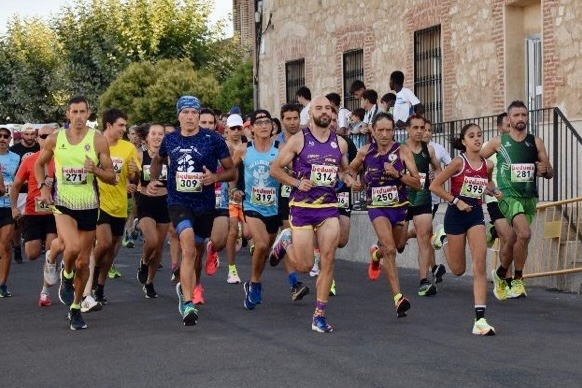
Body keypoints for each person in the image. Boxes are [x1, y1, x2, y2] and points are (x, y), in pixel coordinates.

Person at [269, 95, 356, 333]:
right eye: (319, 108)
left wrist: (350, 179)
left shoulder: (341, 143)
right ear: (311, 113)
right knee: (305, 265)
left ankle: (319, 315)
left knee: (329, 260)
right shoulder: (299, 140)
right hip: (302, 208)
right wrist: (296, 182)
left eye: (328, 108)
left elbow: (343, 170)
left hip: (328, 209)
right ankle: (286, 241)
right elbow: (275, 169)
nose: (325, 111)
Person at [147, 95, 235, 326]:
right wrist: (154, 179)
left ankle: (187, 285)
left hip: (204, 205)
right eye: (185, 112)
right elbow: (157, 160)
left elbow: (232, 172)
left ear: (198, 116)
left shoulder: (213, 139)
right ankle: (188, 304)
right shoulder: (171, 139)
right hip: (178, 202)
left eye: (193, 113)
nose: (189, 116)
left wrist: (215, 176)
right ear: (179, 116)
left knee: (195, 251)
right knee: (186, 246)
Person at [35, 96, 116, 330]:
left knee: (83, 263)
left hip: (89, 206)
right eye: (75, 112)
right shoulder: (55, 138)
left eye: (83, 111)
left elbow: (111, 177)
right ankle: (66, 276)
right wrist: (43, 187)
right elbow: (40, 165)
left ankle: (75, 308)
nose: (79, 116)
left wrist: (96, 171)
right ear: (67, 114)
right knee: (71, 248)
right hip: (63, 204)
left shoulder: (98, 140)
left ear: (89, 114)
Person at [348, 113, 421, 318]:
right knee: (389, 247)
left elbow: (417, 182)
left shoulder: (402, 151)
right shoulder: (365, 152)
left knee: (396, 247)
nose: (385, 134)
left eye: (389, 130)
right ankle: (398, 298)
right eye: (380, 130)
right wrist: (352, 182)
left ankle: (375, 255)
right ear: (373, 130)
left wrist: (398, 174)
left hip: (399, 206)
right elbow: (349, 171)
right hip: (377, 206)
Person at [430, 123, 499, 335]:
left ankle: (480, 320)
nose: (477, 139)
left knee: (479, 266)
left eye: (479, 135)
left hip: (476, 214)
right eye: (472, 136)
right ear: (463, 141)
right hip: (455, 215)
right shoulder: (458, 163)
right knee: (458, 270)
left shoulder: (487, 165)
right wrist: (455, 201)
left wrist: (494, 190)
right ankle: (444, 238)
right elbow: (435, 186)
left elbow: (484, 183)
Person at [480, 100, 553, 299]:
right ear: (509, 119)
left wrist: (544, 170)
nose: (521, 119)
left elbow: (549, 172)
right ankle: (518, 279)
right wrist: (488, 184)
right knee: (525, 233)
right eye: (516, 115)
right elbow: (476, 162)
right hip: (507, 196)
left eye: (524, 115)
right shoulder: (499, 142)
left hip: (528, 197)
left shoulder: (535, 141)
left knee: (514, 240)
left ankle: (501, 273)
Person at [231, 109, 283, 310]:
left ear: (272, 127)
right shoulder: (244, 150)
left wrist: (284, 170)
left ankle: (254, 281)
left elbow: (293, 169)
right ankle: (254, 283)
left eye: (267, 122)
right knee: (260, 245)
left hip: (274, 207)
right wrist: (234, 188)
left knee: (265, 250)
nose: (263, 126)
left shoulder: (280, 149)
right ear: (251, 128)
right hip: (252, 205)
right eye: (258, 123)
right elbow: (231, 169)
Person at [89, 108, 139, 305]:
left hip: (120, 203)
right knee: (104, 242)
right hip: (99, 201)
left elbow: (133, 179)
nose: (124, 129)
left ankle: (100, 286)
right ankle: (89, 275)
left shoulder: (128, 148)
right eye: (120, 125)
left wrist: (134, 173)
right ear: (108, 125)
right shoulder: (94, 145)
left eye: (125, 125)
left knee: (112, 249)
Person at [9, 125, 61, 305]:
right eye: (44, 136)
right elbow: (15, 186)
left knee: (50, 249)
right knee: (31, 253)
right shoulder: (30, 160)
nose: (47, 139)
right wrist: (14, 208)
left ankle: (45, 292)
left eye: (51, 136)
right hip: (33, 211)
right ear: (38, 139)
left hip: (55, 212)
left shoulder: (62, 159)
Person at [401, 115, 442, 296]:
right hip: (402, 201)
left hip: (423, 199)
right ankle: (378, 251)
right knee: (400, 245)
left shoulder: (429, 150)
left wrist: (436, 179)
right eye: (415, 128)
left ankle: (424, 281)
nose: (420, 131)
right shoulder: (399, 149)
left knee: (424, 239)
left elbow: (439, 169)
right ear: (408, 130)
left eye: (422, 128)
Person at [135, 124, 170, 298]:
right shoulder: (139, 155)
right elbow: (130, 176)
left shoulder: (169, 156)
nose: (157, 137)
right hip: (145, 201)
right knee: (152, 240)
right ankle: (143, 261)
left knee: (158, 249)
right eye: (154, 134)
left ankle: (149, 282)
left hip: (164, 202)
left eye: (161, 134)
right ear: (146, 138)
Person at [483, 113, 513, 291]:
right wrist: (490, 188)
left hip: (513, 199)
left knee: (510, 241)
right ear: (499, 128)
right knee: (507, 237)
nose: (511, 129)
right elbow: (478, 167)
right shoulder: (491, 147)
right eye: (507, 126)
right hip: (494, 198)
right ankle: (507, 280)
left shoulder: (518, 148)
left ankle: (492, 229)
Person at [9, 122, 39, 264]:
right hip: (20, 191)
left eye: (32, 134)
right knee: (18, 221)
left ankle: (35, 241)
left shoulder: (40, 148)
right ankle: (16, 247)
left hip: (36, 192)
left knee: (33, 219)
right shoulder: (14, 150)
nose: (29, 137)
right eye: (27, 134)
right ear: (22, 135)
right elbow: (12, 170)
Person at [224, 114, 248, 285]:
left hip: (249, 194)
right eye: (233, 128)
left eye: (239, 128)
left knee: (248, 233)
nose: (236, 131)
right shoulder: (222, 146)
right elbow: (231, 172)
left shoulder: (248, 146)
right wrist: (232, 189)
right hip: (229, 192)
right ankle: (232, 269)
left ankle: (241, 234)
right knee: (232, 231)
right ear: (227, 129)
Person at [0, 127, 20, 297]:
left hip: (7, 205)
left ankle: (2, 284)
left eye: (5, 136)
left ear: (9, 139)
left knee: (5, 245)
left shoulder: (16, 158)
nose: (2, 139)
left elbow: (20, 180)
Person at [390, 71, 424, 142]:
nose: (389, 83)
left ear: (393, 81)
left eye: (390, 80)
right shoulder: (398, 95)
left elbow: (420, 108)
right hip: (398, 133)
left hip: (405, 133)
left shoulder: (406, 91)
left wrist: (407, 123)